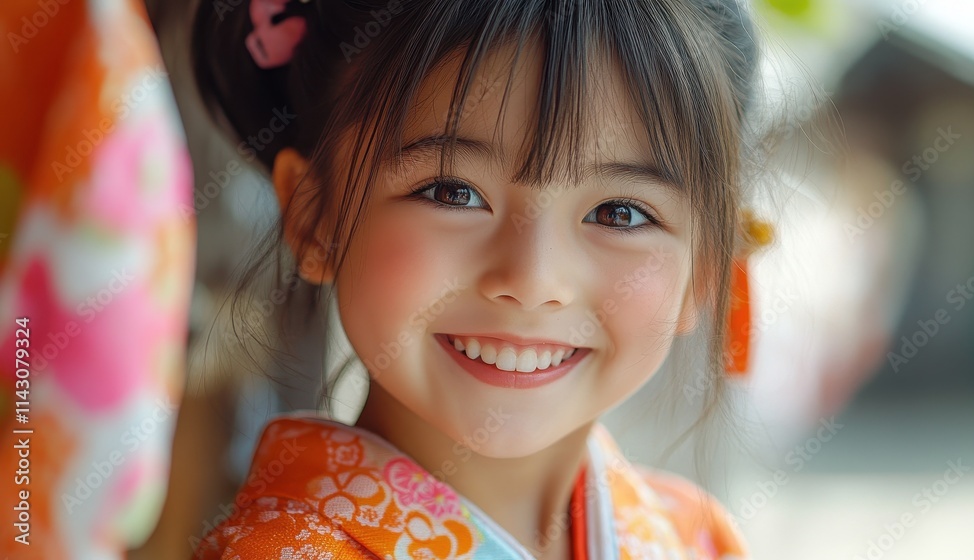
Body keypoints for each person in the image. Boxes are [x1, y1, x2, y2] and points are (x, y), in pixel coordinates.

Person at [190, 0, 764, 557]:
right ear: (315, 216)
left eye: (621, 213)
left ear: (706, 265)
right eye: (452, 192)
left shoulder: (699, 538)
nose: (532, 280)